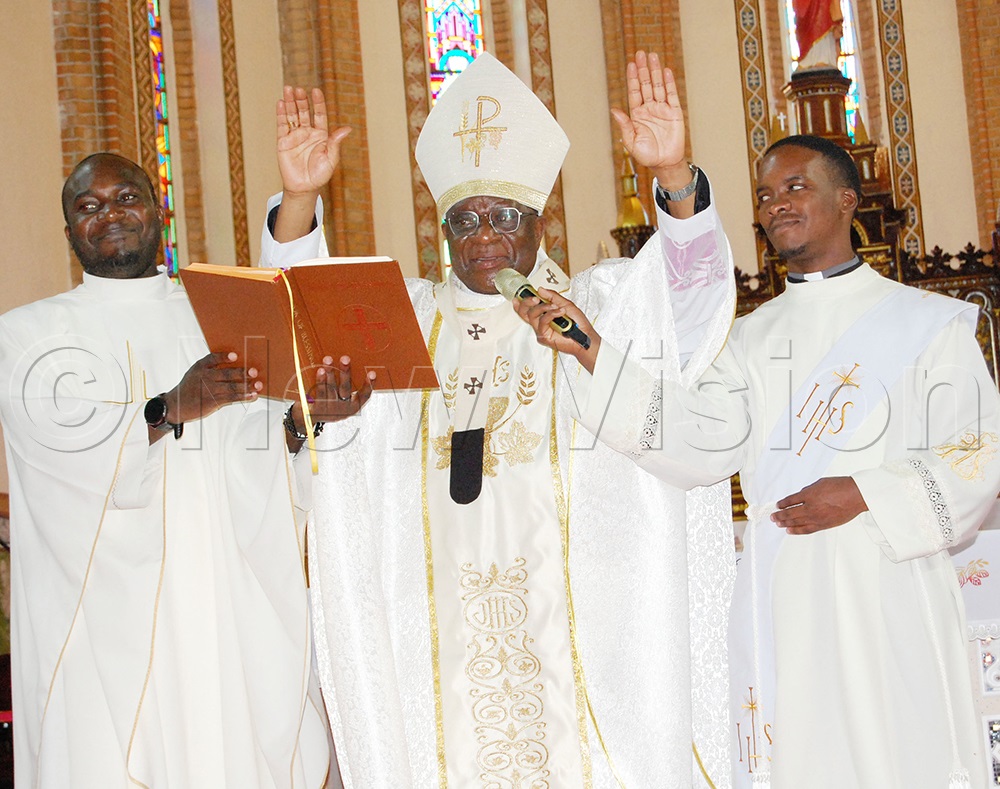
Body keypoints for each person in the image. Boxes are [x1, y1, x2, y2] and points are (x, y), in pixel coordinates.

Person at [262, 52, 737, 787]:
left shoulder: (592, 306)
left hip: (580, 645)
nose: (484, 233)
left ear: (540, 222)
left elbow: (691, 312)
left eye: (505, 216)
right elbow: (306, 324)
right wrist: (298, 202)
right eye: (466, 218)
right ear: (443, 230)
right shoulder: (404, 322)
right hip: (438, 650)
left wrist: (672, 178)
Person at [520, 134, 1000, 788]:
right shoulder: (748, 338)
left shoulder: (929, 324)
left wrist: (863, 493)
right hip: (785, 589)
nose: (777, 205)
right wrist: (593, 350)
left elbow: (978, 450)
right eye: (767, 195)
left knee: (897, 750)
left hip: (889, 578)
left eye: (796, 187)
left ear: (848, 200)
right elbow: (702, 437)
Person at [0, 152, 363, 788]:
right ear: (68, 235)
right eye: (89, 207)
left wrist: (309, 419)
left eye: (126, 199)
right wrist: (173, 406)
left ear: (158, 211)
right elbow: (54, 455)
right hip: (102, 630)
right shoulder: (26, 336)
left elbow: (262, 452)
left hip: (223, 609)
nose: (110, 215)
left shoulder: (213, 316)